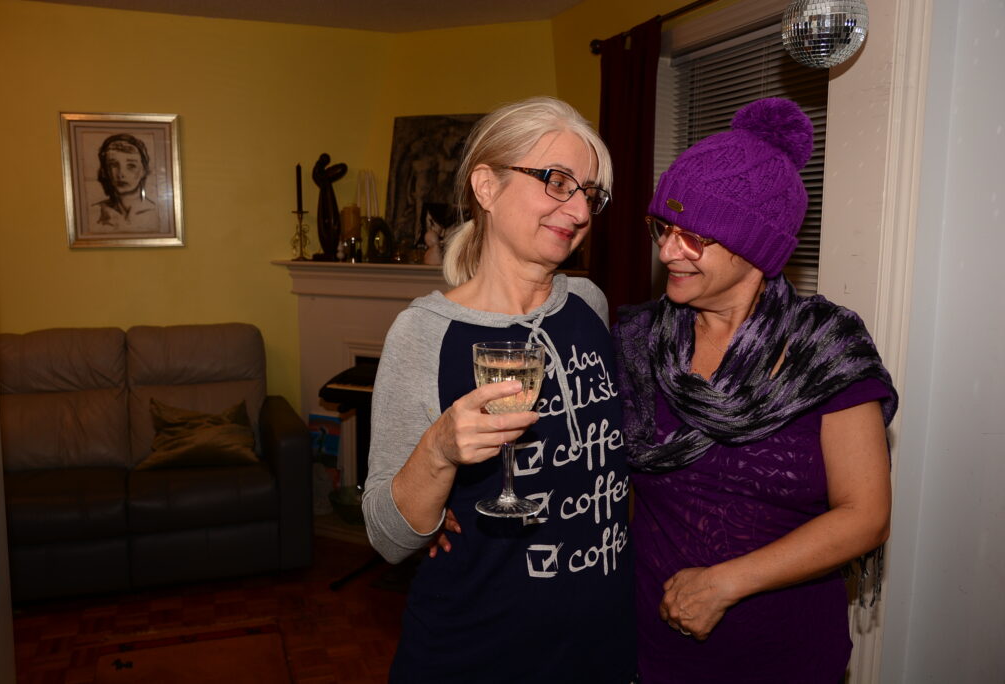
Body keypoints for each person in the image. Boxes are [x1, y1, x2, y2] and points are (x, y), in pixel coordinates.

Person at [612, 98, 898, 683]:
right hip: (653, 653)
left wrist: (725, 584)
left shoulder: (824, 347)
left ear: (755, 247)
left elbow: (865, 515)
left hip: (788, 658)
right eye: (663, 228)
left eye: (693, 236)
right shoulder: (636, 340)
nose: (667, 251)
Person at [363, 96, 636, 683]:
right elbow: (387, 537)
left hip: (600, 646)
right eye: (557, 181)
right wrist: (437, 454)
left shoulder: (588, 304)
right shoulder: (424, 333)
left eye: (589, 193)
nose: (579, 210)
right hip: (477, 652)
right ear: (486, 187)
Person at [89, 133, 160, 233]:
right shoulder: (93, 213)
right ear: (104, 172)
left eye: (131, 166)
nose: (121, 174)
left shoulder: (157, 213)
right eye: (113, 165)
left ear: (144, 171)